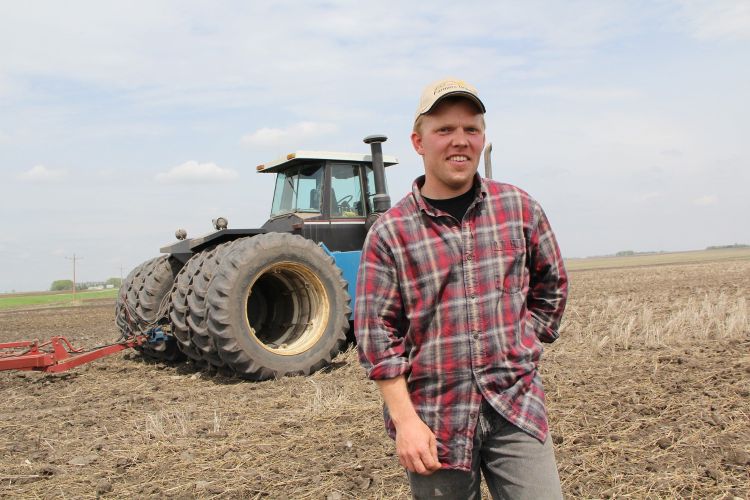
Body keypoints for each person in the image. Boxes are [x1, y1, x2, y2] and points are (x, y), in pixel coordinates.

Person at [354, 78, 569, 499]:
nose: (460, 141)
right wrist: (406, 422)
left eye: (471, 129)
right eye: (444, 130)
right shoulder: (390, 233)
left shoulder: (519, 208)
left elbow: (552, 286)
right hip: (434, 421)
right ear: (418, 142)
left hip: (515, 407)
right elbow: (378, 338)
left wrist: (523, 342)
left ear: (483, 139)